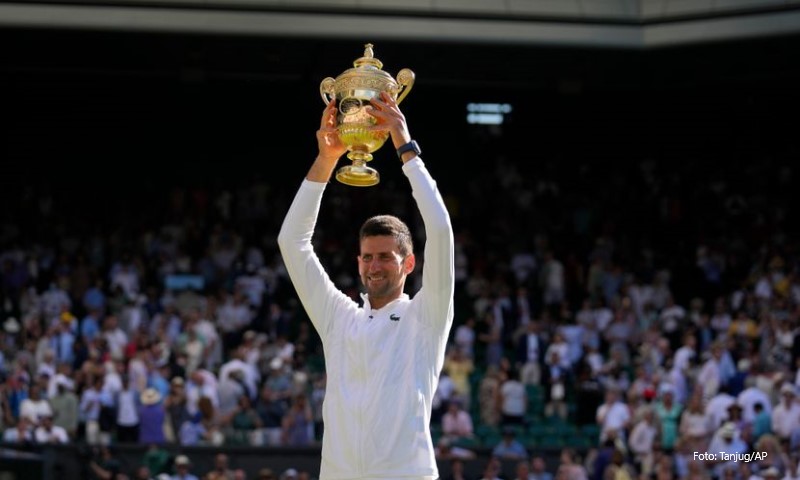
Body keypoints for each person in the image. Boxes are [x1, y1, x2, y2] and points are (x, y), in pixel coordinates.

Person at [278, 91, 454, 480]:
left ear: (409, 263)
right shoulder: (338, 318)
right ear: (358, 263)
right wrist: (326, 159)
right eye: (368, 257)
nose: (375, 266)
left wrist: (406, 150)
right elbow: (291, 242)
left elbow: (440, 230)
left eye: (386, 257)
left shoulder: (426, 316)